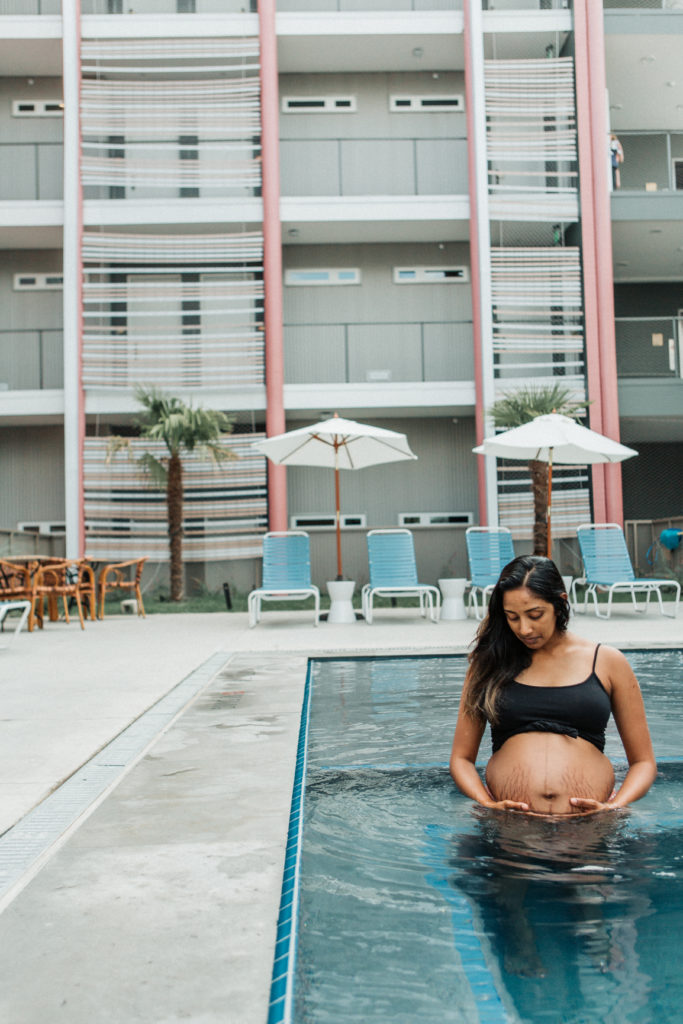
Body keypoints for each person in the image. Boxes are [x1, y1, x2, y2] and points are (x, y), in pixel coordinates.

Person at [450, 555, 656, 817]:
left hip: (591, 825)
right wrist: (487, 804)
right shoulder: (489, 663)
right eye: (512, 617)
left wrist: (613, 808)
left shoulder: (607, 662)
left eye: (535, 615)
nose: (524, 629)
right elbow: (461, 759)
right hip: (508, 825)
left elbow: (644, 763)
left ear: (560, 603)